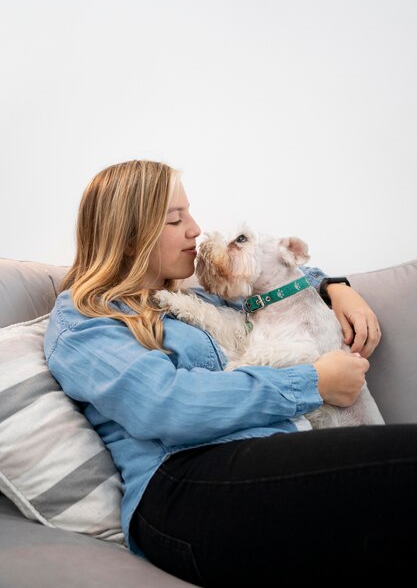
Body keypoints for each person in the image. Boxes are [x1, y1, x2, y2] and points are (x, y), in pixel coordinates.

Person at [44, 160, 417, 586]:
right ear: (130, 237)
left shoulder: (199, 299)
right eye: (175, 219)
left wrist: (336, 286)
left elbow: (275, 276)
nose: (196, 229)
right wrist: (314, 382)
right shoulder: (86, 317)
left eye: (190, 213)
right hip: (185, 487)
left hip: (267, 456)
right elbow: (167, 404)